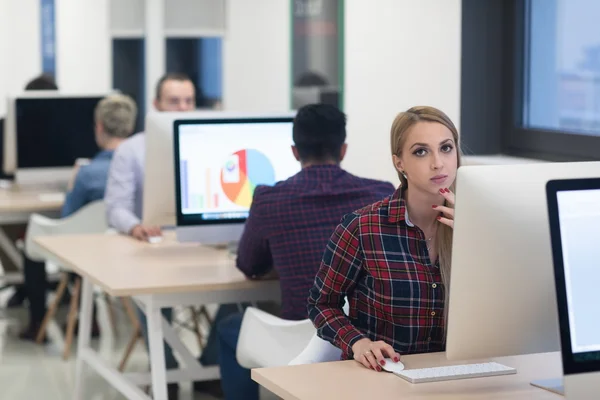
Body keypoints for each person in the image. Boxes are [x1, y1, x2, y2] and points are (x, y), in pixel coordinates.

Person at [217, 104, 396, 400]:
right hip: (367, 338)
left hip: (302, 340)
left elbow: (249, 265)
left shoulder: (268, 199)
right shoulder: (380, 194)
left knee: (229, 325)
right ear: (344, 149)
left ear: (294, 151)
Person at [307, 106, 461, 372]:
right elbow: (321, 304)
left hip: (456, 376)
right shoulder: (362, 228)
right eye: (421, 151)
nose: (438, 162)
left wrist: (473, 237)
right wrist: (358, 343)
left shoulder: (477, 226)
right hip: (383, 377)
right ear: (399, 163)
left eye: (446, 148)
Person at [104, 73, 225, 400]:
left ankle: (210, 369)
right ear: (156, 105)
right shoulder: (131, 150)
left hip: (206, 246)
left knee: (244, 295)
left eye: (188, 101)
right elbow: (115, 207)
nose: (183, 108)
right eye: (174, 101)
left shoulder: (211, 144)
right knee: (152, 301)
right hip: (152, 249)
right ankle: (167, 373)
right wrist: (134, 226)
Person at [19, 94, 138, 341]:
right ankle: (92, 318)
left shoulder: (87, 174)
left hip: (88, 255)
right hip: (128, 251)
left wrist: (73, 182)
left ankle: (37, 323)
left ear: (99, 127)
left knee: (36, 244)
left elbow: (68, 220)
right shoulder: (139, 167)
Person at [2, 75, 60, 308]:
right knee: (8, 233)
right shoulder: (7, 126)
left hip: (56, 209)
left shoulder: (64, 127)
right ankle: (22, 285)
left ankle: (56, 286)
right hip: (16, 201)